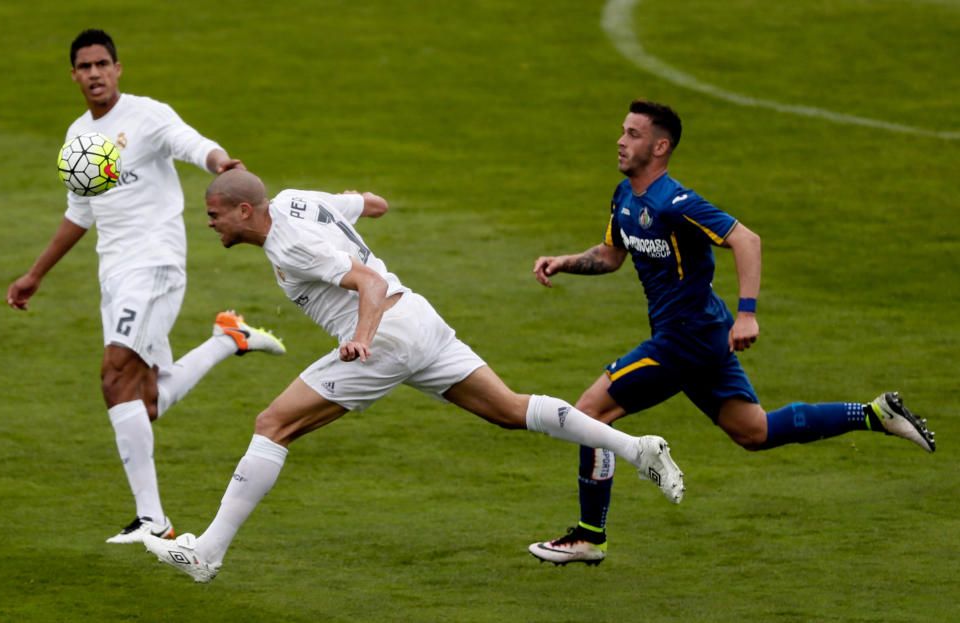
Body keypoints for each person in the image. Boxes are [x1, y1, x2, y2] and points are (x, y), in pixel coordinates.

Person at [141, 169, 686, 583]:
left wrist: (361, 336)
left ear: (243, 210)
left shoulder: (289, 243)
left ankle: (207, 552)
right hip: (421, 321)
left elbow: (368, 287)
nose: (208, 222)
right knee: (509, 410)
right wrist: (371, 207)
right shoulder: (293, 201)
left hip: (387, 334)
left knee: (273, 423)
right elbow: (363, 203)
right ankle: (638, 448)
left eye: (214, 214)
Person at [526, 99, 937, 566]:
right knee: (753, 431)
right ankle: (874, 413)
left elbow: (746, 239)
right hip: (701, 335)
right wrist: (565, 262)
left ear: (661, 147)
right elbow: (611, 254)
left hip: (686, 337)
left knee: (588, 413)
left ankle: (589, 536)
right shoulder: (625, 197)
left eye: (634, 134)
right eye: (623, 131)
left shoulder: (676, 203)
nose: (621, 141)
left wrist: (748, 314)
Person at [6, 29, 286, 544]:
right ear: (73, 75)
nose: (94, 73)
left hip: (154, 266)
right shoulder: (77, 138)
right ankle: (230, 338)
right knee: (146, 399)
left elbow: (192, 144)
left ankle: (153, 519)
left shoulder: (146, 115)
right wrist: (35, 274)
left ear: (117, 68)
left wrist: (220, 163)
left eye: (102, 64)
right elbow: (79, 213)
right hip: (114, 274)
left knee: (114, 378)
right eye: (84, 66)